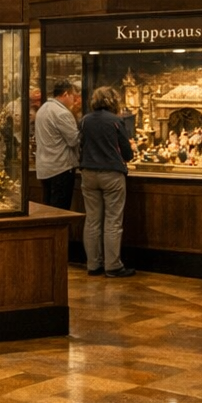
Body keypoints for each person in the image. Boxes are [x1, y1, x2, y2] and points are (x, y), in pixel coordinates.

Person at [79, 85, 135, 278]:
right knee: (113, 220)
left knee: (92, 220)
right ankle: (113, 265)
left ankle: (93, 264)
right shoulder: (116, 121)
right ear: (113, 100)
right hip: (111, 173)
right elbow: (127, 152)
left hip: (88, 173)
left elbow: (80, 144)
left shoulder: (85, 120)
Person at [34, 80, 82, 210]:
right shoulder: (62, 113)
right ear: (66, 94)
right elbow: (74, 140)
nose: (74, 100)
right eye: (73, 96)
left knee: (48, 209)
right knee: (60, 211)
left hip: (44, 168)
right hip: (60, 168)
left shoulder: (42, 109)